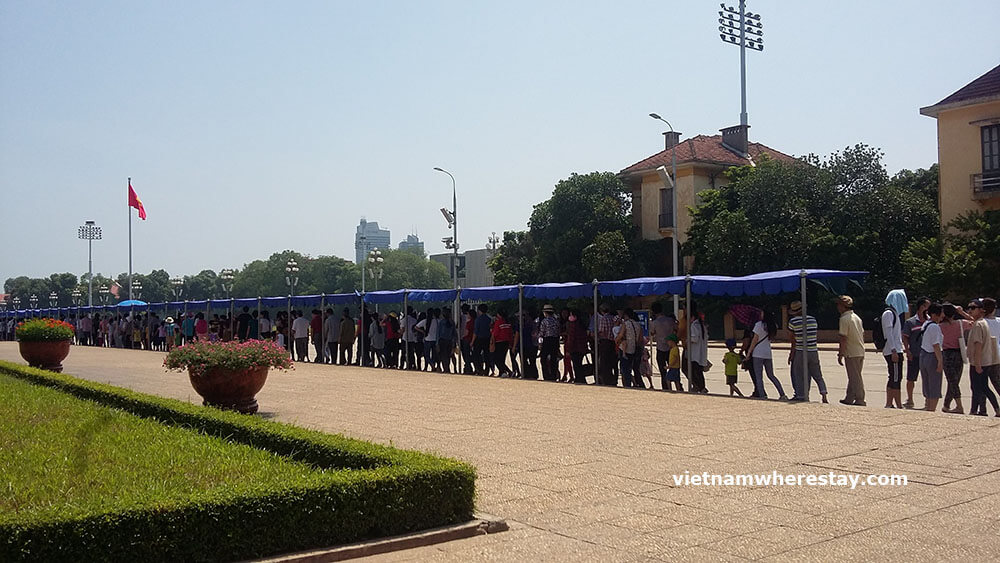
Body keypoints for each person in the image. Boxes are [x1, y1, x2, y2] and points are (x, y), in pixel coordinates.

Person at [787, 301, 828, 403]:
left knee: (799, 374)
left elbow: (793, 341)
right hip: (813, 350)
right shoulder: (812, 320)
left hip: (800, 351)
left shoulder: (793, 322)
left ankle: (801, 395)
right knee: (817, 374)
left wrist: (791, 354)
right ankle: (823, 393)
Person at [966, 299, 1000, 417]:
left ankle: (996, 408)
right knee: (977, 387)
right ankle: (974, 410)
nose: (970, 310)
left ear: (981, 310)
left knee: (982, 387)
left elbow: (978, 345)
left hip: (979, 361)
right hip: (983, 360)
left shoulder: (979, 324)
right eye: (969, 307)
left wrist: (978, 364)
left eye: (973, 308)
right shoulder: (980, 322)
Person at [939, 303, 972, 414]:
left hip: (947, 354)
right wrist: (962, 312)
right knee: (954, 381)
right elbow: (975, 321)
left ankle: (958, 406)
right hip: (958, 353)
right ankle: (947, 404)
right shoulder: (961, 323)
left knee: (952, 381)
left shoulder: (940, 326)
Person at [747, 310, 786, 400]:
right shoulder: (773, 326)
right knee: (771, 375)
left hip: (757, 353)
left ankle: (762, 395)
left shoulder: (758, 325)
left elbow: (755, 340)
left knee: (758, 376)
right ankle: (782, 394)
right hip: (767, 353)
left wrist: (749, 352)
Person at [901, 297, 931, 409]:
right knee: (911, 378)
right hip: (914, 354)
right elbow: (905, 337)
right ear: (920, 307)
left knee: (927, 379)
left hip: (927, 354)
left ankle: (928, 402)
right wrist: (907, 350)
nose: (928, 309)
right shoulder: (911, 322)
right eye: (926, 306)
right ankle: (910, 399)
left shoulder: (930, 322)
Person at [837, 295, 866, 406]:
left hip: (851, 352)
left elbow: (843, 338)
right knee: (854, 375)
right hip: (860, 350)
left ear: (842, 306)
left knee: (855, 377)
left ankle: (860, 398)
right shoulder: (856, 317)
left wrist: (841, 353)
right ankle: (849, 397)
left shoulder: (844, 319)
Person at [882, 289, 908, 408]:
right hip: (894, 350)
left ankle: (890, 403)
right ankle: (896, 403)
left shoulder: (894, 313)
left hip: (897, 349)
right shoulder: (889, 313)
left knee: (894, 376)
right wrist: (893, 350)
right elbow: (889, 333)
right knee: (896, 377)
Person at [920, 303, 946, 411]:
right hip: (932, 356)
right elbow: (936, 345)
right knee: (934, 384)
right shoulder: (934, 327)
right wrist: (940, 361)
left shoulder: (926, 324)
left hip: (923, 355)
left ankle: (928, 407)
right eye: (941, 313)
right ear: (935, 314)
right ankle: (932, 409)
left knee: (927, 384)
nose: (943, 316)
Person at [650, 303, 677, 390]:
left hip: (660, 348)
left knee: (663, 371)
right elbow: (676, 329)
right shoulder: (670, 320)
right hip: (671, 347)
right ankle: (678, 385)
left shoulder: (654, 323)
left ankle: (666, 387)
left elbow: (652, 333)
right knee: (674, 369)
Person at [616, 308, 644, 388]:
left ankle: (627, 385)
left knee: (625, 369)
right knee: (632, 368)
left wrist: (616, 339)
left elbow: (621, 335)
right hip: (634, 348)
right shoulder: (638, 324)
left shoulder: (626, 324)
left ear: (626, 315)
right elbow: (640, 339)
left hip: (625, 348)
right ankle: (637, 384)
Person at [685, 303, 709, 393]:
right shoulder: (702, 325)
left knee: (694, 371)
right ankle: (701, 387)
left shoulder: (693, 326)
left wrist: (688, 339)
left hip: (695, 352)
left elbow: (694, 338)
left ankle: (699, 386)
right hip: (700, 352)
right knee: (699, 371)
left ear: (692, 317)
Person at [592, 304, 617, 386]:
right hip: (612, 342)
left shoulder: (603, 319)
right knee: (611, 362)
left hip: (605, 341)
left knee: (604, 362)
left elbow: (602, 331)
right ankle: (612, 379)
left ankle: (606, 380)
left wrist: (595, 335)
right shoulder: (613, 318)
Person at [564, 309, 588, 384]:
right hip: (581, 348)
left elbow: (571, 338)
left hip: (575, 348)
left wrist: (568, 349)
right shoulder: (582, 324)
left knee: (576, 365)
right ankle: (581, 379)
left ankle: (579, 379)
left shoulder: (573, 325)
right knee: (579, 364)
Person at [983, 298, 1000, 405]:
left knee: (982, 383)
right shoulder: (998, 321)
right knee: (997, 382)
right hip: (997, 354)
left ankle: (982, 407)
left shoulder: (982, 322)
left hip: (985, 355)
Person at [539, 304, 561, 381]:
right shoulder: (556, 321)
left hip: (547, 340)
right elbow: (558, 332)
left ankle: (546, 375)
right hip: (555, 340)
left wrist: (540, 344)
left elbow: (542, 333)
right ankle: (553, 375)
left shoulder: (544, 321)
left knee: (543, 359)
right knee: (553, 359)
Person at [491, 309, 514, 377]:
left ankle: (505, 371)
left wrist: (492, 341)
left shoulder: (498, 322)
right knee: (502, 358)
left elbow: (495, 333)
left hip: (499, 342)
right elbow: (510, 333)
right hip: (506, 342)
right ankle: (503, 372)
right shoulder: (508, 322)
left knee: (496, 358)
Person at [472, 304, 492, 375]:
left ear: (479, 310)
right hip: (487, 339)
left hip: (479, 339)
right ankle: (487, 370)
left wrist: (472, 342)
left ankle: (479, 369)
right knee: (487, 355)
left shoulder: (478, 319)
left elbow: (475, 331)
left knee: (476, 355)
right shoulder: (489, 319)